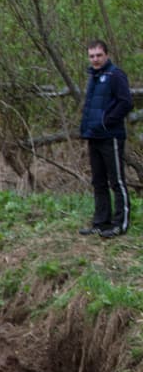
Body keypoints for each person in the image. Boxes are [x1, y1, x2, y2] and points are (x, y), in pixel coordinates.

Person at [79, 39, 133, 238]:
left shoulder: (115, 75)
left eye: (99, 55)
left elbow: (125, 103)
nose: (95, 59)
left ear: (107, 55)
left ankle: (120, 224)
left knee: (116, 181)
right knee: (98, 181)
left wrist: (106, 122)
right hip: (93, 136)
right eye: (92, 56)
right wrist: (86, 128)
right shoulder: (93, 77)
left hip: (111, 136)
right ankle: (101, 222)